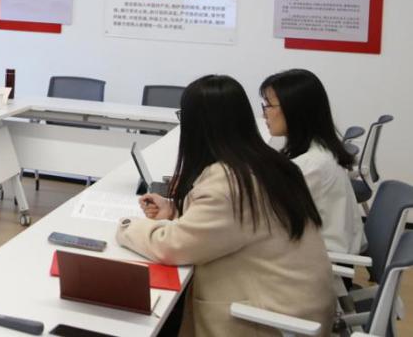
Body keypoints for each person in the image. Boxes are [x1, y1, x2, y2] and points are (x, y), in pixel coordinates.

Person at [116, 75, 335, 337]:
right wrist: (175, 211)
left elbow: (173, 246)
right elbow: (232, 224)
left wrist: (128, 226)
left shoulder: (231, 182)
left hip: (272, 322)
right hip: (297, 307)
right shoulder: (266, 163)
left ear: (197, 125)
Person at [260, 68, 365, 254]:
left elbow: (268, 218)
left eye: (268, 105)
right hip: (327, 250)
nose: (264, 114)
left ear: (294, 110)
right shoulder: (320, 149)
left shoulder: (311, 165)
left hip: (324, 261)